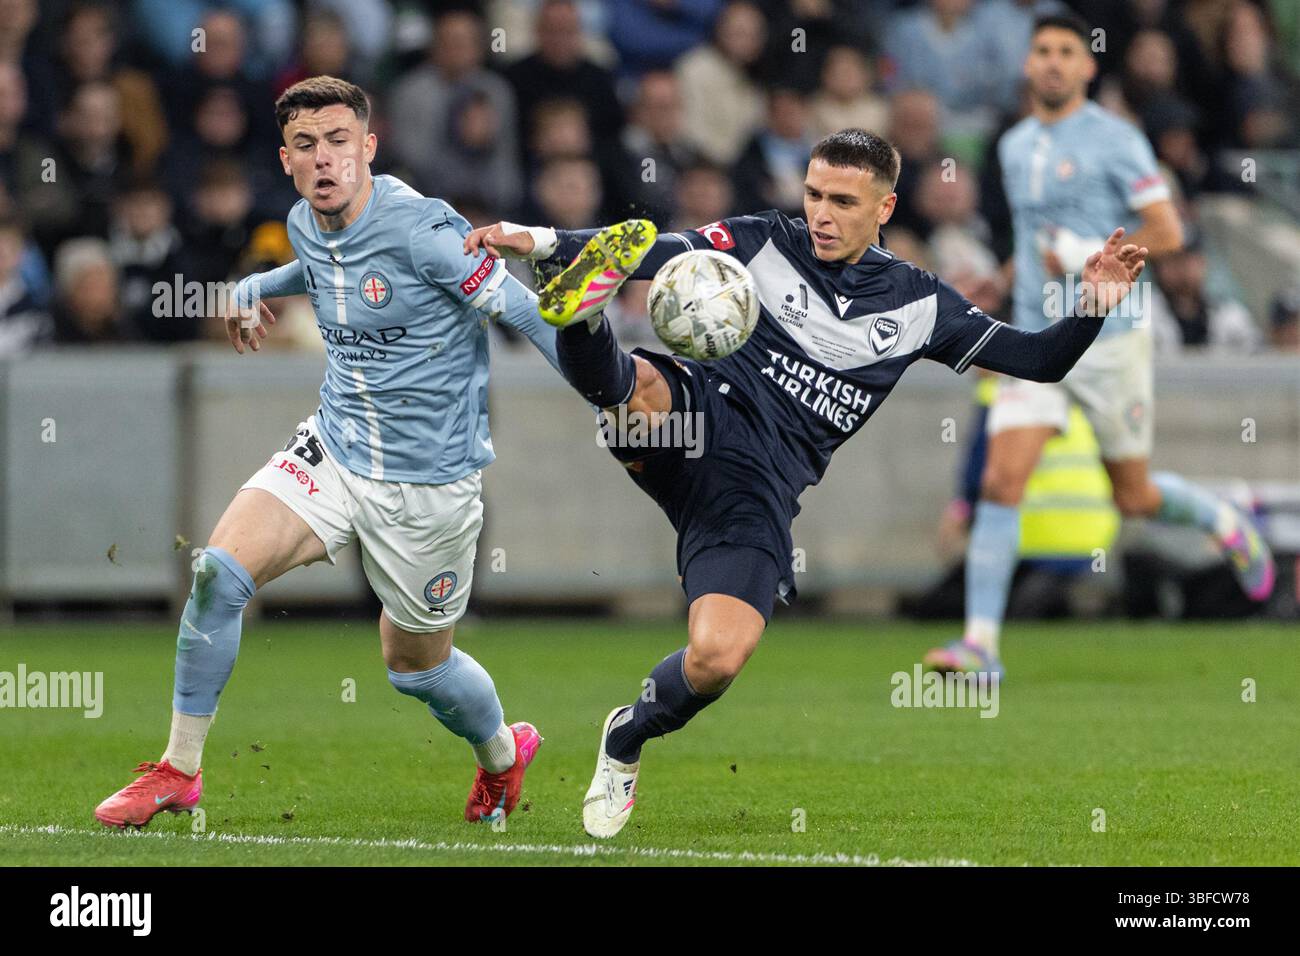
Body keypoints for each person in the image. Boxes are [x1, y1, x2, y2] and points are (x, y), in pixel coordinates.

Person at [465, 125, 1148, 837]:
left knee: (716, 658)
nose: (821, 214)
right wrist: (538, 241)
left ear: (884, 209)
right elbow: (646, 251)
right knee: (634, 393)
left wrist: (1094, 301)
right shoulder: (765, 239)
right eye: (815, 194)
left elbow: (1039, 359)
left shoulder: (919, 306)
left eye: (843, 201)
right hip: (696, 412)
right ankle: (580, 318)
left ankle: (626, 737)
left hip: (757, 488)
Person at [93, 76, 558, 830]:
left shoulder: (425, 230)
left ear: (368, 148)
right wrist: (251, 285)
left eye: (340, 142)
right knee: (217, 574)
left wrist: (614, 393)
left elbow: (530, 315)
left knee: (417, 669)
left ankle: (503, 755)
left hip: (430, 486)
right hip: (334, 448)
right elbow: (318, 269)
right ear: (286, 159)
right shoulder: (304, 222)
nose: (324, 159)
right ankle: (179, 770)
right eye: (306, 146)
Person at [924, 14, 1274, 680]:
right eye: (1042, 52)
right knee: (1002, 480)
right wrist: (996, 282)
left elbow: (1169, 229)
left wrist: (1086, 255)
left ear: (1087, 68)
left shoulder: (1117, 140)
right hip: (1034, 339)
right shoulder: (1013, 143)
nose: (1052, 62)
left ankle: (1223, 520)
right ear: (1028, 66)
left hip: (1110, 340)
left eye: (1066, 53)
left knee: (1134, 498)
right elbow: (1033, 245)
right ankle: (981, 647)